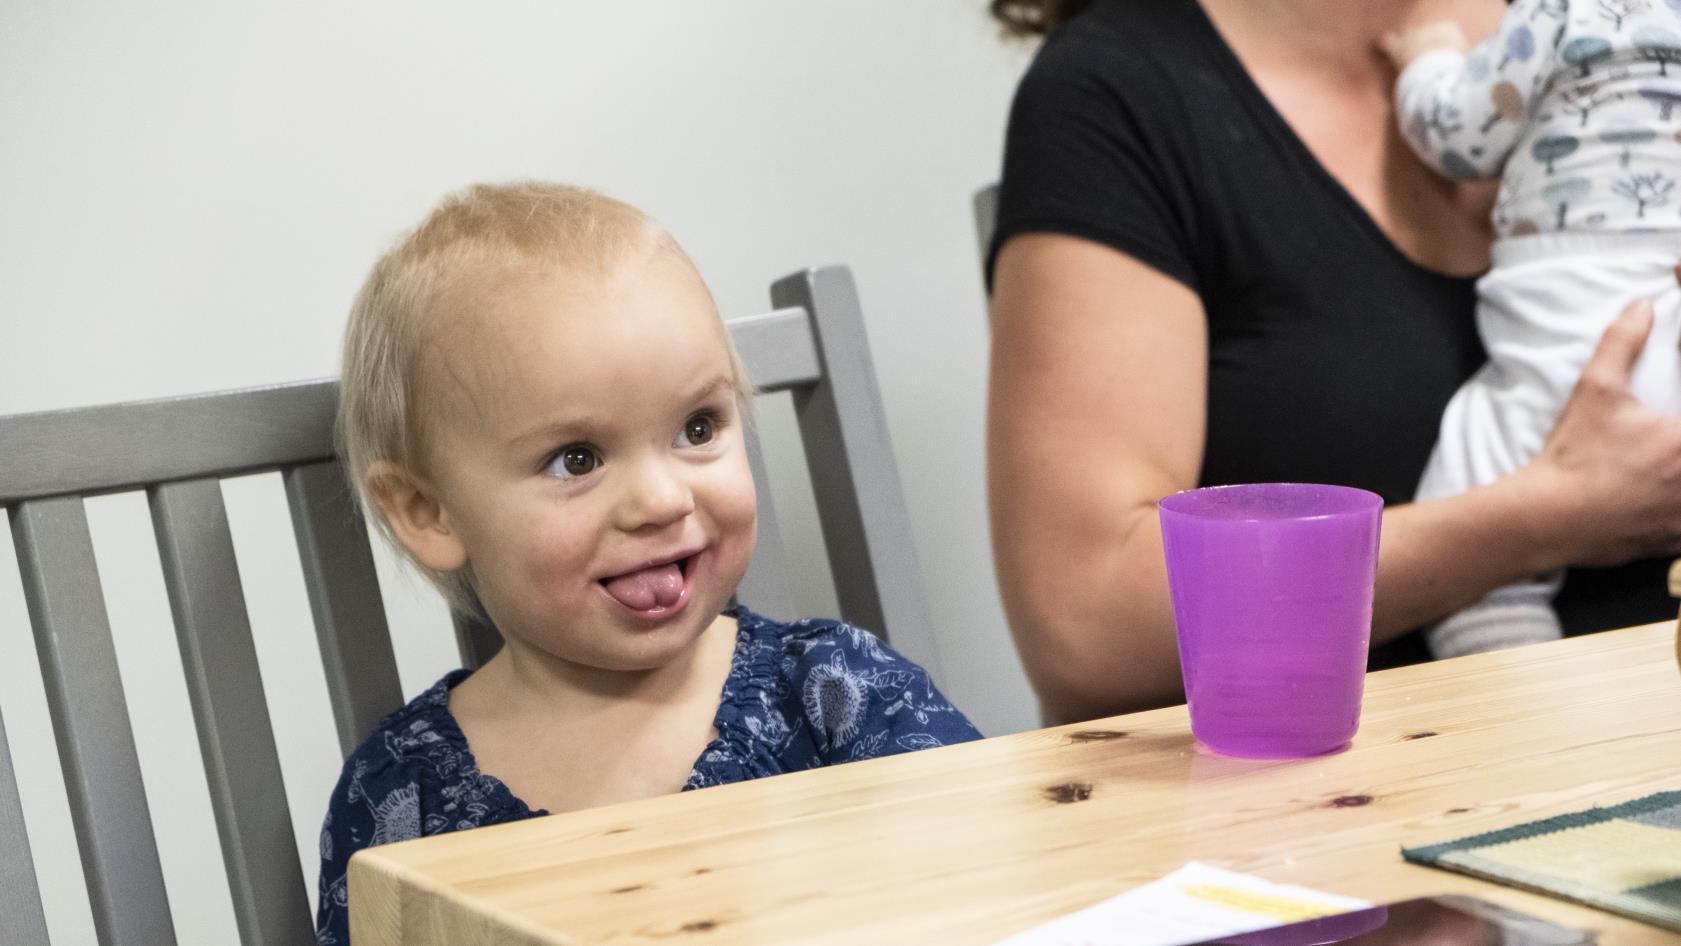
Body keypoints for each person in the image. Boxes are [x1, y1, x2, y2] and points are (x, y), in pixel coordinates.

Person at [314, 182, 979, 944]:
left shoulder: (837, 693)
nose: (662, 499)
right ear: (427, 512)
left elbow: (1010, 885)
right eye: (576, 459)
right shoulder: (402, 798)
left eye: (698, 426)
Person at [985, 0, 1681, 724]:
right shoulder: (1118, 96)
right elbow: (1087, 634)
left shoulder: (1618, 22)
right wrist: (1543, 519)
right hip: (1342, 798)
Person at [1376, 1, 1681, 658]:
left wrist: (1426, 60)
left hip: (1582, 311)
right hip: (1668, 299)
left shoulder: (1559, 9)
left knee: (1475, 565)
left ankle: (1524, 720)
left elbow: (1458, 137)